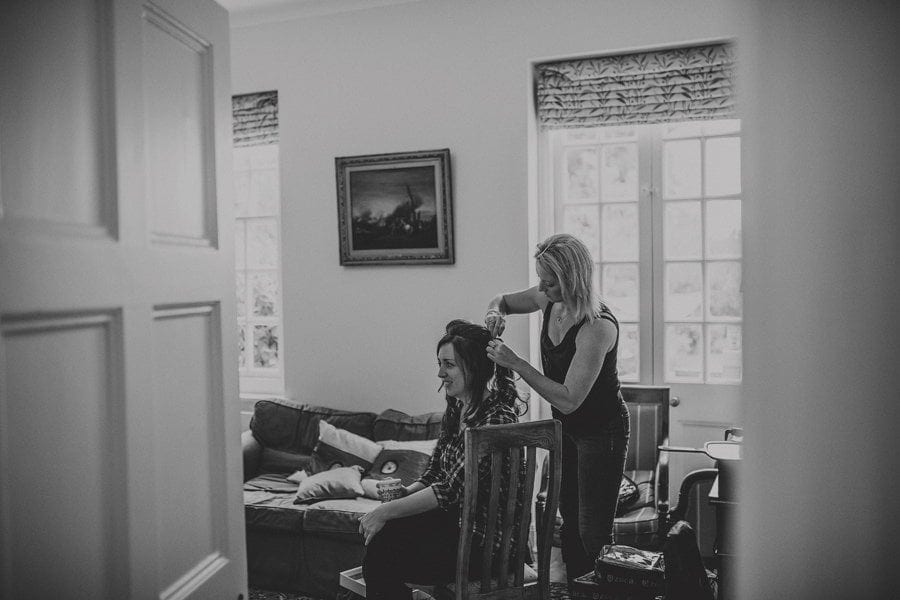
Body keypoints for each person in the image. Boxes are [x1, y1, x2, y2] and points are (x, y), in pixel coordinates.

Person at [483, 233, 630, 582]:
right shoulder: (547, 298)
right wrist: (493, 312)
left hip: (602, 432)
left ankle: (608, 590)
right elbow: (501, 300)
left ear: (572, 280)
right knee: (568, 521)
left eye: (550, 282)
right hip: (566, 429)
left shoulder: (597, 327)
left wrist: (516, 363)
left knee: (593, 532)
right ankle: (580, 591)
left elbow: (569, 398)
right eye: (541, 280)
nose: (542, 289)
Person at [359, 319, 527, 600]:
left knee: (383, 548)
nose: (440, 373)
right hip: (455, 529)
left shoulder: (496, 417)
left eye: (448, 365)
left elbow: (451, 490)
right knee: (383, 542)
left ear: (473, 367)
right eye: (439, 363)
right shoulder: (457, 408)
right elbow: (435, 473)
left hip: (484, 547)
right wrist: (404, 494)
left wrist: (384, 511)